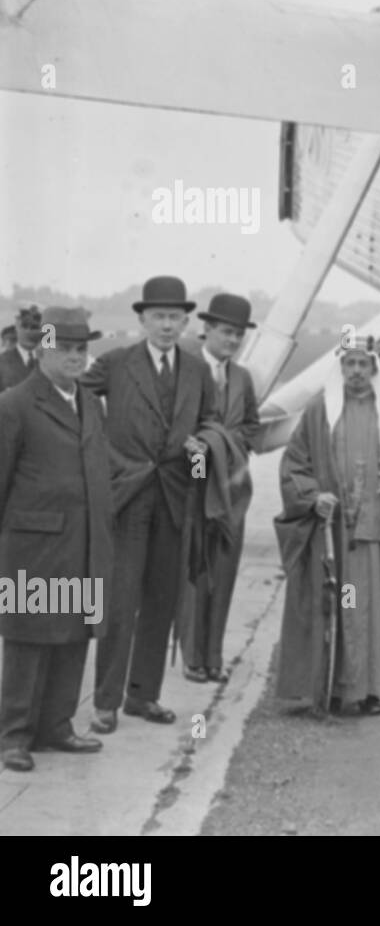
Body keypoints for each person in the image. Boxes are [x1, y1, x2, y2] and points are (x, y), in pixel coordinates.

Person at [81, 277, 217, 733]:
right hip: (127, 499)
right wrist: (101, 456)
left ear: (185, 322)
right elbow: (73, 397)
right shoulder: (116, 364)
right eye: (158, 316)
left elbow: (211, 426)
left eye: (174, 317)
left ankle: (143, 696)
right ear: (141, 320)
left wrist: (203, 454)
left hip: (176, 499)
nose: (166, 325)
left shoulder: (198, 372)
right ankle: (105, 702)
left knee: (162, 601)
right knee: (119, 603)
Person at [274, 339, 380, 714]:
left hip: (379, 536)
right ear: (340, 368)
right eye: (350, 363)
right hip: (337, 537)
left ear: (375, 370)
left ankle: (374, 689)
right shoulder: (319, 413)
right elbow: (294, 464)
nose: (356, 371)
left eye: (363, 364)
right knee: (347, 603)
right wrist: (312, 496)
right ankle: (342, 686)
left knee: (372, 608)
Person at [0, 308, 112, 772]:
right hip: (33, 545)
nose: (73, 356)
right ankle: (13, 735)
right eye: (62, 348)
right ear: (42, 350)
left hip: (84, 541)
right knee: (29, 638)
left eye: (80, 348)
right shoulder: (15, 403)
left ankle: (57, 726)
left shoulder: (90, 402)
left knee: (74, 633)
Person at [176, 294, 261, 685]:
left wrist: (230, 448)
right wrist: (203, 455)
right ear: (206, 329)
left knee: (224, 570)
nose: (232, 340)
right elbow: (177, 428)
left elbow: (251, 426)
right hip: (195, 484)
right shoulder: (187, 369)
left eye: (238, 335)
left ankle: (214, 656)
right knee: (196, 570)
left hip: (231, 486)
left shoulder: (242, 377)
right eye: (226, 332)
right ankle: (193, 657)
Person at [0, 304, 42, 393]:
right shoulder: (2, 362)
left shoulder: (49, 361)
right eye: (25, 326)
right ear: (17, 328)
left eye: (34, 327)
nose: (28, 332)